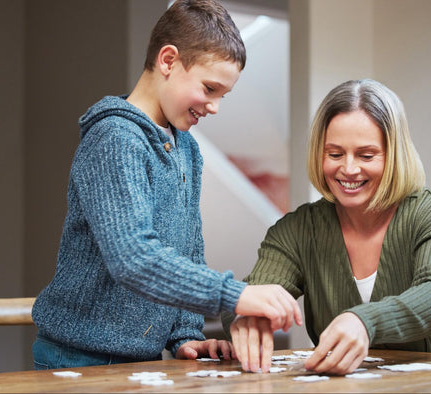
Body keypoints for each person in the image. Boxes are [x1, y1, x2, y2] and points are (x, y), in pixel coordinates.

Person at [31, 0, 301, 370]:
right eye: (209, 88)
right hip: (78, 358)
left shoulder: (187, 148)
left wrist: (186, 334)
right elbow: (133, 258)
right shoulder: (115, 138)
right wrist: (234, 295)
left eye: (224, 95)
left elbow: (188, 248)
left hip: (139, 359)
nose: (215, 107)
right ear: (168, 61)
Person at [224, 79, 431, 374]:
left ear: (395, 155)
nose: (349, 169)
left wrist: (364, 322)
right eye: (335, 154)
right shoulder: (298, 229)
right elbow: (252, 293)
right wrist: (247, 316)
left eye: (366, 155)